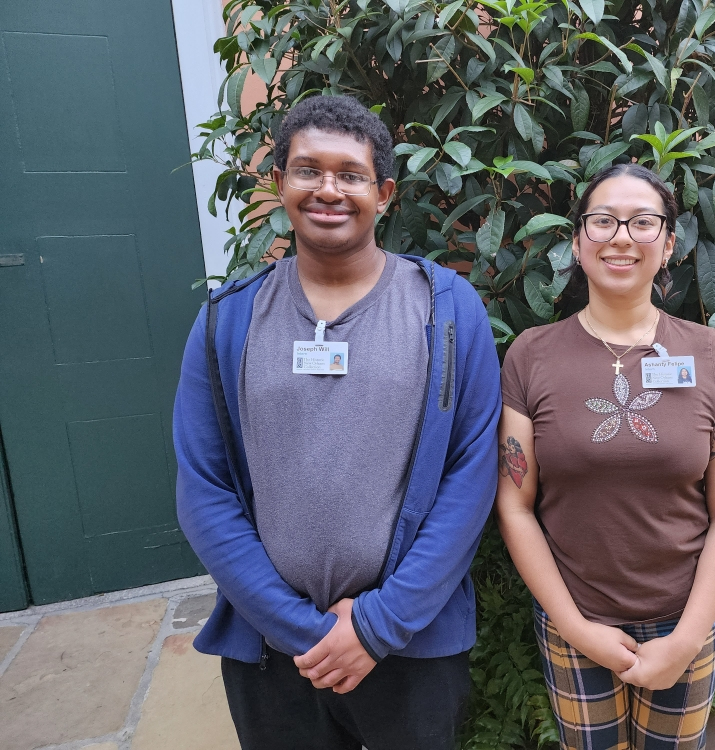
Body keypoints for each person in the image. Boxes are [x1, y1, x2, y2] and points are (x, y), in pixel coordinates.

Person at [173, 94, 501, 750]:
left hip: (410, 644)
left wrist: (378, 625)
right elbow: (204, 492)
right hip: (272, 650)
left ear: (384, 193)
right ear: (278, 184)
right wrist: (305, 631)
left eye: (350, 174)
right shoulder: (225, 321)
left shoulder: (448, 310)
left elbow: (472, 475)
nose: (328, 189)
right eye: (307, 170)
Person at [495, 163, 715, 750]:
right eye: (604, 220)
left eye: (642, 223)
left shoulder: (711, 355)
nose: (620, 237)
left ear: (668, 246)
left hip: (685, 618)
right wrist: (575, 627)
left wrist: (687, 640)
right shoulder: (531, 356)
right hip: (575, 617)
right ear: (577, 241)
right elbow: (515, 505)